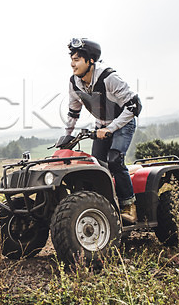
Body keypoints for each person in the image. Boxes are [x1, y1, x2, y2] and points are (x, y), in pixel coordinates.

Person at [60, 38, 142, 224]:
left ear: (90, 61)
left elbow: (134, 106)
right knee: (97, 166)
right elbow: (74, 111)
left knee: (114, 160)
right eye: (72, 59)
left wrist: (111, 128)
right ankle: (106, 205)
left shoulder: (108, 78)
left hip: (123, 124)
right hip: (102, 126)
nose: (73, 64)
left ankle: (129, 204)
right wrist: (67, 134)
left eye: (78, 59)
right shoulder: (74, 83)